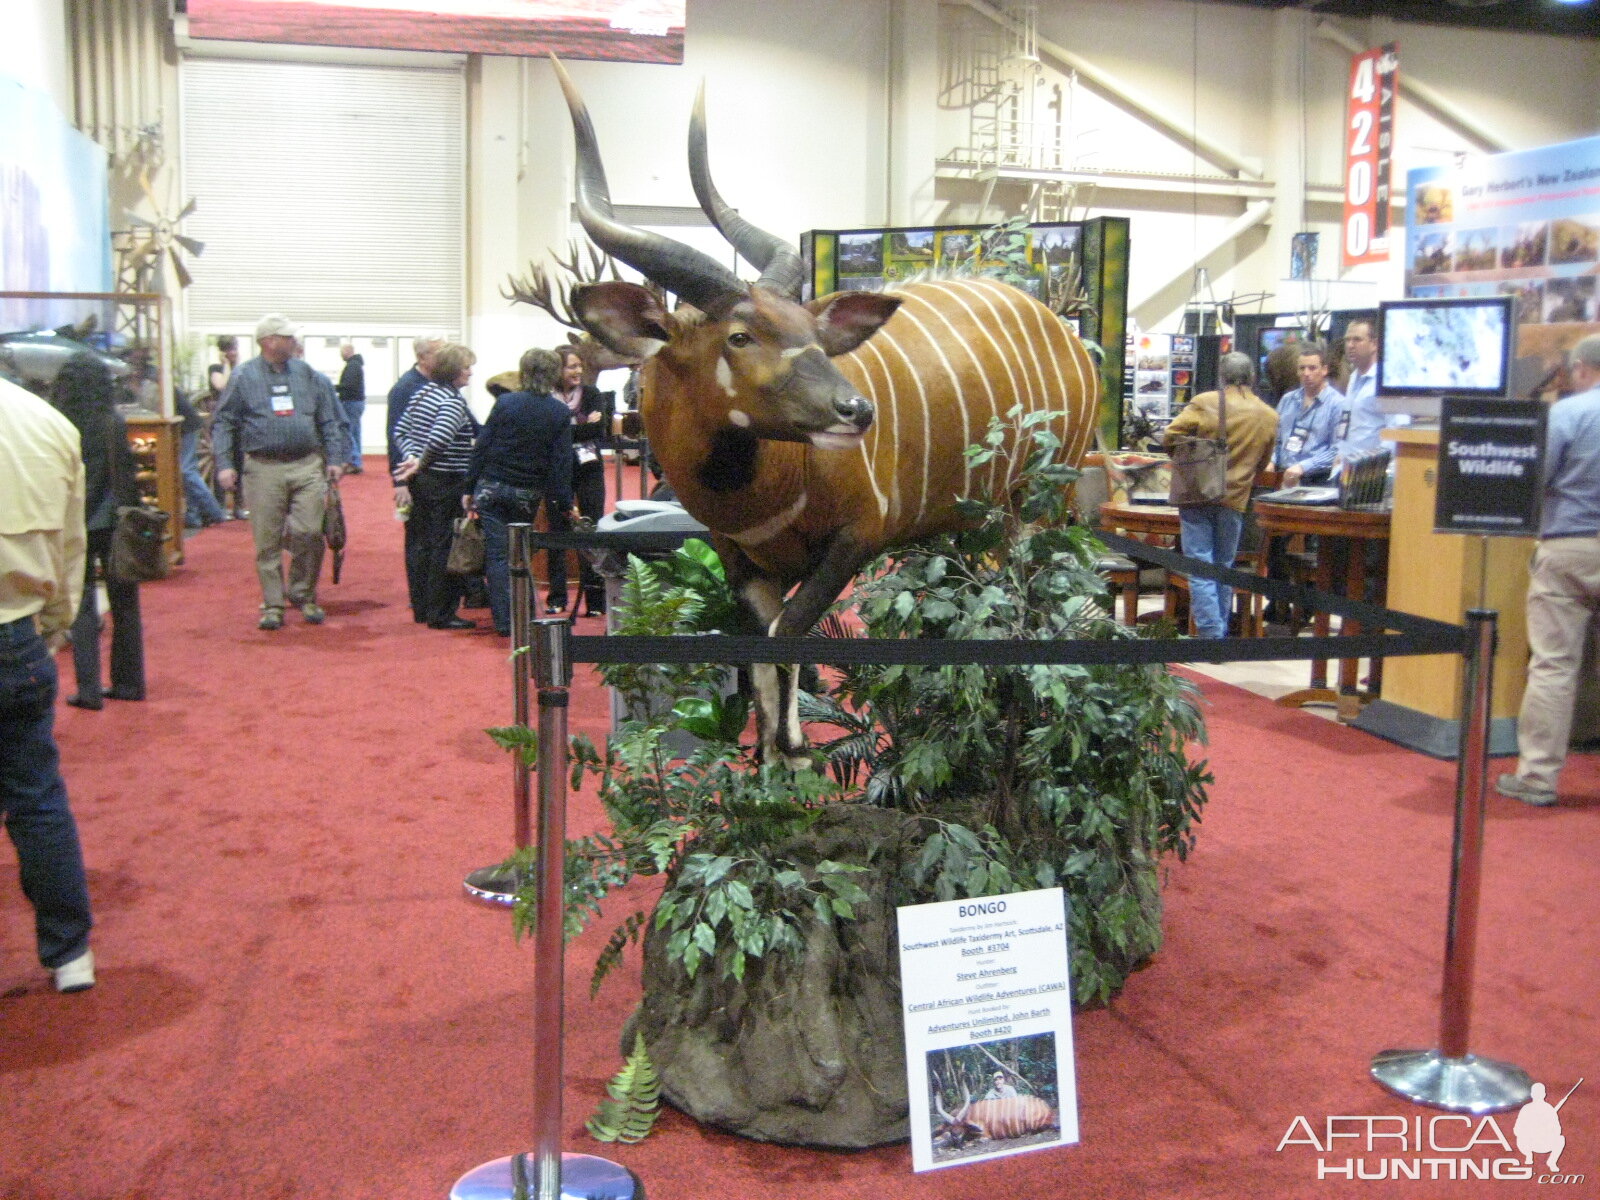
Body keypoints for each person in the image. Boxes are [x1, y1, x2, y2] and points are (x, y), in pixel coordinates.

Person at [0, 375, 96, 993]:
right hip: (18, 637)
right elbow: (70, 548)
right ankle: (70, 954)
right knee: (37, 799)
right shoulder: (44, 421)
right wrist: (57, 626)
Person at [1496, 333, 1600, 807]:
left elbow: (1533, 479)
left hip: (1570, 546)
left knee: (1554, 665)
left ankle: (1538, 777)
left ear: (1580, 368)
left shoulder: (1567, 414)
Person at [211, 314, 347, 631]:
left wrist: (335, 457)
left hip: (307, 464)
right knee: (267, 540)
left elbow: (329, 418)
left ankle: (302, 592)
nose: (293, 341)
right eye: (287, 337)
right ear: (268, 341)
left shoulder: (308, 374)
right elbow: (224, 423)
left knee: (310, 532)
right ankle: (273, 603)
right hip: (262, 467)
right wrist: (225, 464)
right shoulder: (243, 377)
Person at [50, 352, 146, 708]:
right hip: (114, 524)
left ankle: (88, 690)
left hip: (74, 523)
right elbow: (126, 478)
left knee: (82, 606)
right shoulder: (112, 421)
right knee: (125, 605)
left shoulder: (58, 424)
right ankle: (129, 682)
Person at [1164, 352, 1279, 638]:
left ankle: (1211, 634)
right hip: (1236, 498)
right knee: (1223, 568)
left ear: (1221, 375)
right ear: (1252, 376)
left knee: (1200, 565)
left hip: (1198, 492)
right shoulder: (1269, 415)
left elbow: (1170, 435)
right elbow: (1263, 462)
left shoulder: (1206, 402)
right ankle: (1221, 632)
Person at [467, 348, 575, 637]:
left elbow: (483, 446)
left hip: (492, 487)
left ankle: (505, 621)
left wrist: (469, 486)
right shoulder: (559, 412)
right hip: (526, 493)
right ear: (554, 375)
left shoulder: (506, 403)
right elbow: (560, 463)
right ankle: (525, 616)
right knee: (522, 556)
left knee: (498, 556)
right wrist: (564, 502)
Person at [394, 342, 480, 630]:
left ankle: (422, 607)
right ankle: (441, 612)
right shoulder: (453, 402)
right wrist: (422, 460)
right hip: (446, 482)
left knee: (422, 545)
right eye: (466, 367)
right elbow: (440, 438)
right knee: (445, 546)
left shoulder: (424, 393)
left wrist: (413, 459)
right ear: (454, 371)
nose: (470, 373)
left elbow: (400, 431)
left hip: (423, 482)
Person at [388, 334, 447, 621]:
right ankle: (421, 600)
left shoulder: (433, 385)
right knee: (419, 540)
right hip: (415, 477)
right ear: (424, 357)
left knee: (428, 539)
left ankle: (428, 598)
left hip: (429, 475)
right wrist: (400, 482)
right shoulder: (406, 388)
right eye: (440, 352)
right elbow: (396, 437)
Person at [554, 344, 613, 615]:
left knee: (591, 530)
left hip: (589, 469)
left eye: (579, 366)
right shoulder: (546, 396)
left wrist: (567, 428)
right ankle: (557, 597)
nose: (578, 371)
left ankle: (596, 601)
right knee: (557, 533)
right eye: (571, 366)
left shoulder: (591, 393)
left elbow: (598, 429)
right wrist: (580, 426)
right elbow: (551, 433)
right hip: (558, 470)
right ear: (557, 370)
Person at [1333, 318, 1405, 470]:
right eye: (1347, 340)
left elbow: (1397, 432)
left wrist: (1371, 464)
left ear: (1375, 344)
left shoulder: (1388, 381)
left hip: (1371, 473)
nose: (1350, 345)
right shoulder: (1353, 377)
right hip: (1346, 469)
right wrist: (1341, 453)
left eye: (1357, 340)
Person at [1273, 343, 1346, 488]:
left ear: (1324, 370)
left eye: (1312, 368)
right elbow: (1276, 440)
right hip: (1283, 476)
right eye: (1302, 368)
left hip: (1316, 480)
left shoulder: (1338, 404)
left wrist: (1303, 467)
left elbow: (1338, 449)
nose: (1306, 373)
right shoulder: (1288, 400)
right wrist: (1271, 460)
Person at [207, 335, 248, 520]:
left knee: (239, 462)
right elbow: (222, 385)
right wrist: (225, 365)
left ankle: (239, 505)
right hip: (222, 420)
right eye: (229, 349)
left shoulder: (242, 370)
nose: (233, 352)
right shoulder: (215, 369)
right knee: (221, 463)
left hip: (240, 421)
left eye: (234, 348)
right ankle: (220, 505)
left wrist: (235, 365)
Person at [178, 389, 227, 530]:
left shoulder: (153, 382)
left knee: (186, 471)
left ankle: (214, 511)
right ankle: (193, 516)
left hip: (187, 426)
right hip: (184, 424)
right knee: (188, 471)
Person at [336, 342, 365, 474]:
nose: (341, 355)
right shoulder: (356, 365)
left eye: (342, 352)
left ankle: (354, 461)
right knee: (355, 433)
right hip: (357, 403)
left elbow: (348, 386)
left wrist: (333, 387)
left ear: (347, 352)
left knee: (349, 433)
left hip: (351, 403)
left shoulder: (352, 366)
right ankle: (356, 460)